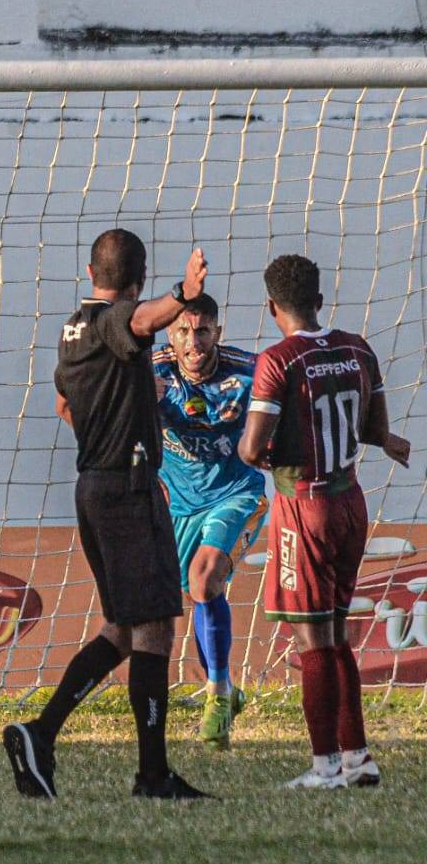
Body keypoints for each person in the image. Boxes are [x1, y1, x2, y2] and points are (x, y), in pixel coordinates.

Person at [3, 229, 211, 800]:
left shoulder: (72, 330)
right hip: (125, 489)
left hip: (97, 484)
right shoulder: (113, 321)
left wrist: (111, 429)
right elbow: (142, 322)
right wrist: (185, 292)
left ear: (90, 269)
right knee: (153, 627)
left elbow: (64, 404)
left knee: (123, 628)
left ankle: (40, 735)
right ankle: (151, 775)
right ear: (136, 280)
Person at [237, 255, 411, 789]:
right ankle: (359, 758)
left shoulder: (278, 360)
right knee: (336, 634)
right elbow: (373, 428)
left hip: (302, 505)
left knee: (313, 639)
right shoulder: (358, 349)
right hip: (350, 499)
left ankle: (324, 767)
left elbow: (250, 447)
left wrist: (259, 454)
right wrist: (389, 441)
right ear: (318, 299)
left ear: (271, 306)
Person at [152, 293, 265, 746]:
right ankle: (224, 688)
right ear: (169, 335)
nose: (193, 343)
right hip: (178, 503)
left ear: (218, 332)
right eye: (183, 331)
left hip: (236, 494)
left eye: (202, 331)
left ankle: (217, 694)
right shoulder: (151, 371)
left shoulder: (251, 371)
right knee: (194, 594)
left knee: (203, 581)